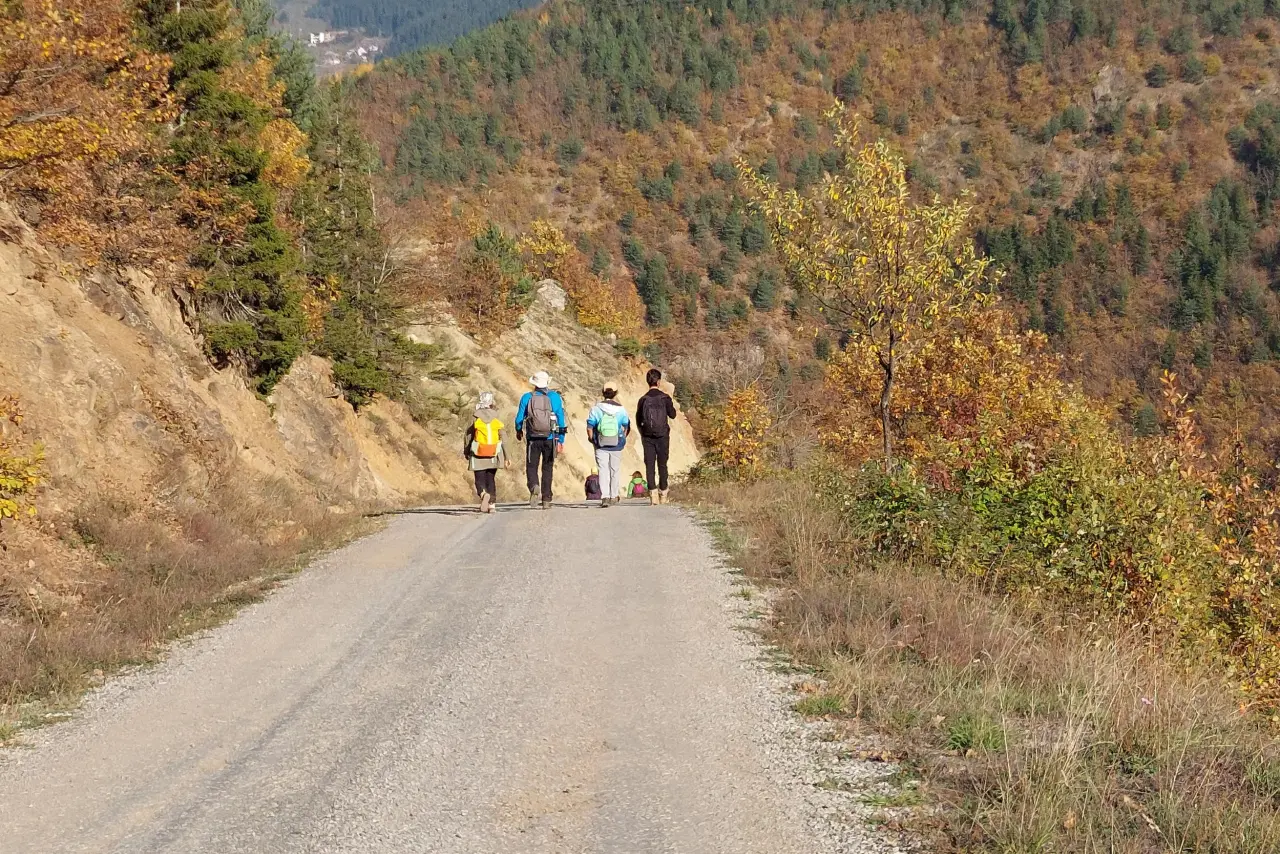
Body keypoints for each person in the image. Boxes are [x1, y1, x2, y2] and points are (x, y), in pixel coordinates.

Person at [515, 370, 567, 509]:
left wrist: (519, 430)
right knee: (547, 468)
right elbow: (561, 419)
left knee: (532, 466)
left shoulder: (527, 397)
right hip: (550, 437)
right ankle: (546, 498)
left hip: (533, 437)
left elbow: (519, 418)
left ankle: (533, 486)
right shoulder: (555, 397)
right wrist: (561, 439)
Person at [586, 381, 631, 508]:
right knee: (614, 469)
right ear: (615, 393)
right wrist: (622, 438)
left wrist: (592, 439)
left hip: (601, 443)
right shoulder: (621, 409)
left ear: (603, 393)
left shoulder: (596, 408)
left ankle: (604, 496)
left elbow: (590, 426)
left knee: (603, 469)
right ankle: (614, 495)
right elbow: (625, 426)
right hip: (616, 443)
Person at [636, 368, 677, 505]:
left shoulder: (643, 399)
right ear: (659, 382)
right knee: (662, 464)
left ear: (648, 382)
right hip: (663, 436)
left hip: (647, 436)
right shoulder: (665, 398)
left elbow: (638, 419)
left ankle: (653, 494)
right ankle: (663, 493)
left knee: (649, 465)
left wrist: (643, 432)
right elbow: (672, 415)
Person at [463, 391, 509, 514]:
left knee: (479, 479)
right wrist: (507, 457)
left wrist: (466, 451)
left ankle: (483, 494)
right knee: (491, 478)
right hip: (493, 453)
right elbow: (504, 438)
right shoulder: (496, 419)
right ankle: (492, 505)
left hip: (478, 452)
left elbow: (468, 436)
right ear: (491, 404)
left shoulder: (475, 418)